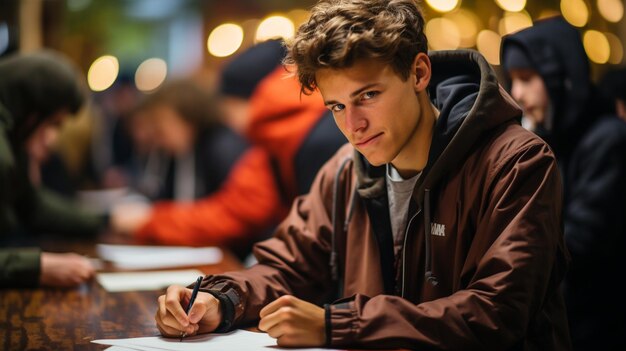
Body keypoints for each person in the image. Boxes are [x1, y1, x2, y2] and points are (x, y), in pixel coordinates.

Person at [155, 1, 570, 348]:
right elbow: (285, 268)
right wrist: (218, 300)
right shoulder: (343, 170)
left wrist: (339, 324)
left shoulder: (517, 162)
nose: (353, 125)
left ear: (419, 73)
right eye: (336, 106)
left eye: (368, 95)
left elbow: (495, 315)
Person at [113, 40, 346, 260]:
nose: (230, 122)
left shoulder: (261, 142)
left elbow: (235, 213)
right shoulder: (291, 136)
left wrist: (149, 221)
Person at [501, 17, 626, 350]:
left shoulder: (608, 140)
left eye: (527, 79)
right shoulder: (546, 138)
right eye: (513, 80)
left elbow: (581, 240)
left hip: (596, 326)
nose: (517, 93)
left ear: (559, 77)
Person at [0, 50, 104, 288]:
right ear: (30, 110)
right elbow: (31, 207)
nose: (53, 139)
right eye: (53, 124)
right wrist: (38, 267)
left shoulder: (11, 137)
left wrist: (104, 220)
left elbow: (30, 205)